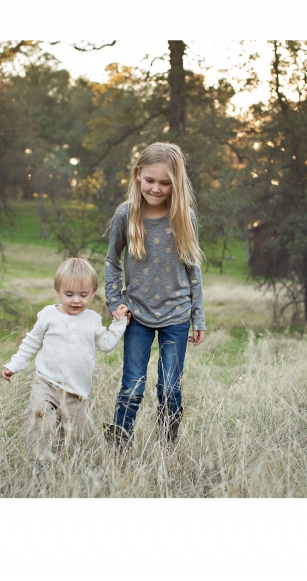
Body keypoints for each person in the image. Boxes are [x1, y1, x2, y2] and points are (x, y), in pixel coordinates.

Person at [103, 142, 206, 447]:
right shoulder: (126, 215)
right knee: (132, 386)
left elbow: (193, 270)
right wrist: (114, 301)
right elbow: (111, 262)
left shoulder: (184, 216)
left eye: (165, 182)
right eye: (150, 180)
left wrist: (198, 316)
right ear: (138, 175)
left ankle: (166, 448)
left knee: (169, 389)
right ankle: (119, 445)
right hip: (137, 315)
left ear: (176, 182)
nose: (157, 189)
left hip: (176, 316)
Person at [2, 257, 129, 463]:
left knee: (73, 438)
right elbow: (31, 343)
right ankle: (38, 461)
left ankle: (64, 471)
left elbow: (106, 344)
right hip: (46, 382)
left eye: (83, 295)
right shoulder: (48, 315)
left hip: (77, 392)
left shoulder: (93, 320)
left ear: (93, 293)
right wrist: (14, 365)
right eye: (69, 295)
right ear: (58, 291)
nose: (76, 300)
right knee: (40, 414)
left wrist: (119, 322)